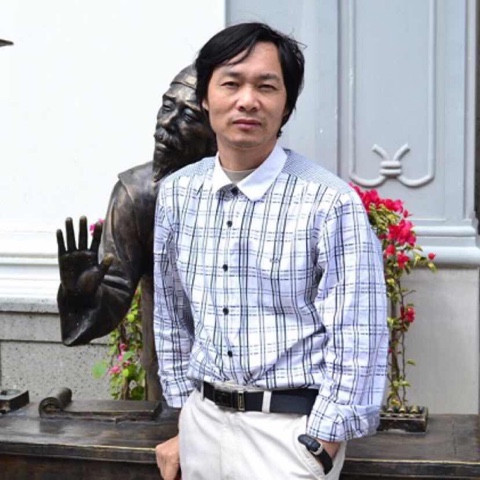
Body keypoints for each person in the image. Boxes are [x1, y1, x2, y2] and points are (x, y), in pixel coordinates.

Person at [154, 23, 388, 479]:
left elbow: (358, 330)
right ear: (205, 98)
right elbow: (171, 311)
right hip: (202, 425)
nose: (248, 100)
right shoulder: (177, 193)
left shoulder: (328, 202)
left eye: (266, 86)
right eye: (231, 83)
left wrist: (322, 443)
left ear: (287, 105)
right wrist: (183, 413)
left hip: (288, 436)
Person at [56, 65, 216, 400]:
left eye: (188, 115)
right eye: (167, 106)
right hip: (172, 374)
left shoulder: (251, 189)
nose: (167, 123)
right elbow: (115, 288)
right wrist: (82, 295)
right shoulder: (137, 194)